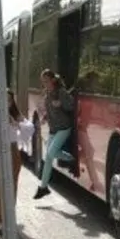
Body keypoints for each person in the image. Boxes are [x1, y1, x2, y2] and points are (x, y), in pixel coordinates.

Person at [0, 88, 34, 236]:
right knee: (0, 185)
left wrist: (16, 124)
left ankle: (9, 219)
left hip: (12, 151)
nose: (7, 102)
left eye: (9, 100)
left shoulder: (16, 115)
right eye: (4, 99)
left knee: (12, 185)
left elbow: (30, 128)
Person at [34, 69, 74, 200]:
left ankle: (72, 159)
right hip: (53, 129)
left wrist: (61, 103)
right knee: (48, 158)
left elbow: (72, 105)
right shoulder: (47, 94)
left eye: (46, 80)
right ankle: (43, 187)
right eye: (42, 81)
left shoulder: (60, 92)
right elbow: (50, 108)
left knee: (50, 153)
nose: (44, 83)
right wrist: (45, 117)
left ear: (52, 80)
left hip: (64, 128)